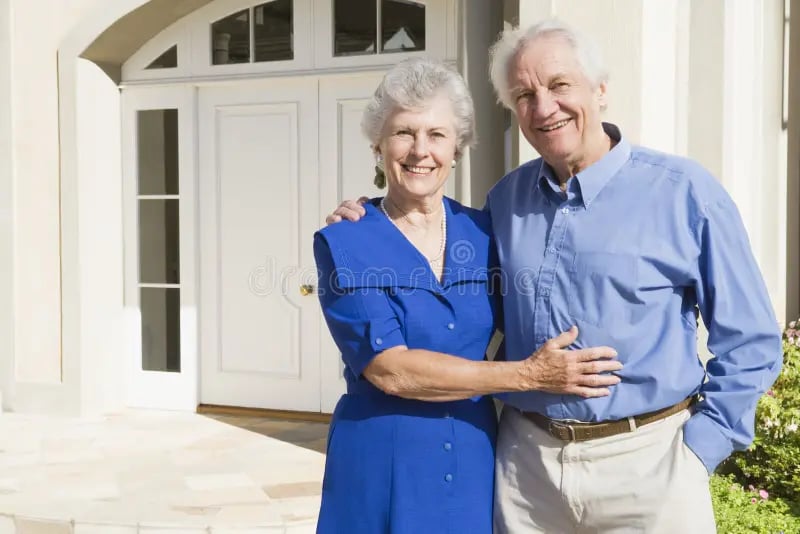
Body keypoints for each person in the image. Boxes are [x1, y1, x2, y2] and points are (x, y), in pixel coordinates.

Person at [326, 20, 783, 534]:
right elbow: (422, 281)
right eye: (524, 94)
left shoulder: (684, 193)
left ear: (601, 89)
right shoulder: (505, 202)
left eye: (559, 85)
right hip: (527, 472)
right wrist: (366, 215)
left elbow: (752, 340)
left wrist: (701, 449)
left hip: (650, 468)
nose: (544, 108)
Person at [313, 57, 622, 534]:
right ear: (378, 145)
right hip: (383, 459)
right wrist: (527, 376)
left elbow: (540, 307)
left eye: (437, 135)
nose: (420, 150)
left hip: (476, 453)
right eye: (403, 133)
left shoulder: (484, 232)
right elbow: (390, 370)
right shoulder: (347, 241)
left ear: (457, 148)